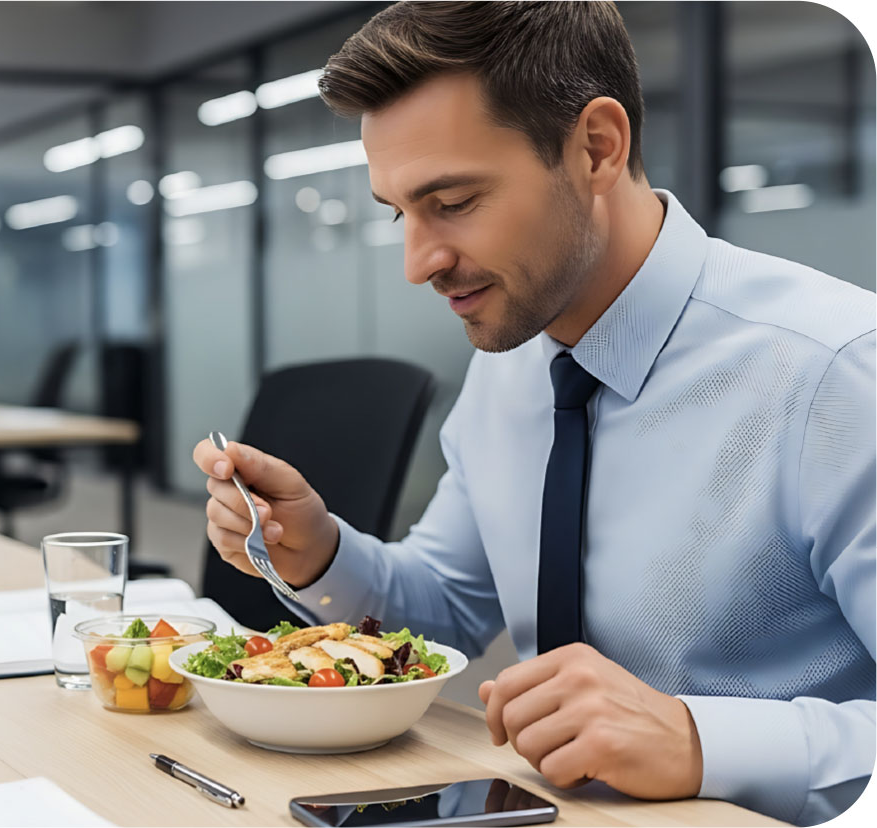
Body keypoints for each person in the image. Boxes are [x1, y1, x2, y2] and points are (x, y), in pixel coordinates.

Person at [193, 3, 874, 825]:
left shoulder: (834, 372)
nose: (418, 263)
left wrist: (701, 739)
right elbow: (446, 606)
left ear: (595, 147)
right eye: (398, 212)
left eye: (452, 200)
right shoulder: (514, 358)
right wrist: (319, 553)